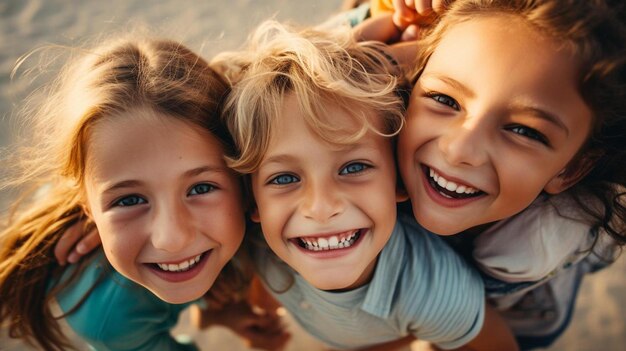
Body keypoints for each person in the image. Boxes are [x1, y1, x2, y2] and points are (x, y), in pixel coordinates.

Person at [213, 20, 518, 351]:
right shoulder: (257, 245)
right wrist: (241, 311)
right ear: (254, 202)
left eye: (354, 167)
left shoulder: (433, 294)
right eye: (285, 178)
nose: (321, 207)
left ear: (399, 180)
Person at [0, 35, 287, 351]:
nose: (171, 237)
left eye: (201, 188)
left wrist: (221, 311)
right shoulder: (111, 320)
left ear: (244, 178)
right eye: (129, 200)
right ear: (86, 206)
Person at [380, 0, 626, 349]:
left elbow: (439, 319)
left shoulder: (530, 247)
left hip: (519, 314)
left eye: (525, 131)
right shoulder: (392, 115)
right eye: (444, 99)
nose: (459, 150)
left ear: (571, 169)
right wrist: (380, 56)